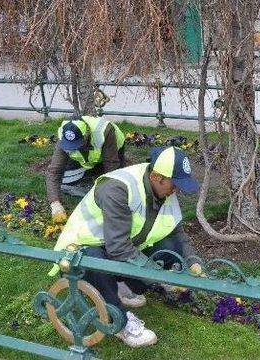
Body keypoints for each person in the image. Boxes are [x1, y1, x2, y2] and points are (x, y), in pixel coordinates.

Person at [48, 146, 202, 347]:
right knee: (94, 259)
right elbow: (119, 248)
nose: (177, 190)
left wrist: (193, 262)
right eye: (175, 184)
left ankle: (122, 287)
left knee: (170, 246)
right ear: (157, 177)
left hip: (116, 248)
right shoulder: (117, 189)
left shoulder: (164, 192)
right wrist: (160, 275)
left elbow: (177, 233)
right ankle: (119, 321)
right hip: (79, 252)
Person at [46, 116, 126, 224]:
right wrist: (55, 203)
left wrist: (108, 199)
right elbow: (54, 171)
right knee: (66, 180)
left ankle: (99, 169)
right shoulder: (64, 136)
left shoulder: (104, 131)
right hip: (89, 157)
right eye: (71, 145)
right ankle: (93, 170)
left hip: (112, 151)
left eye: (77, 144)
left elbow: (111, 166)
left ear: (87, 134)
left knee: (118, 179)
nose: (74, 148)